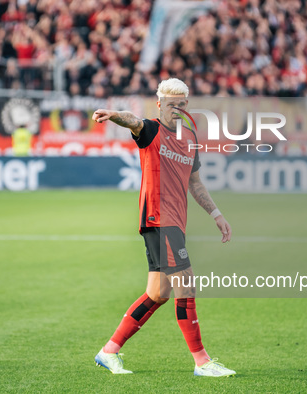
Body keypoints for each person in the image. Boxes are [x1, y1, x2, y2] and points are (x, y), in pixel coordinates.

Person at [91, 78, 236, 377]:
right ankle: (202, 362)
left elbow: (195, 183)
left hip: (175, 223)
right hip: (158, 218)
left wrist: (216, 214)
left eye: (183, 104)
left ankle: (109, 351)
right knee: (186, 283)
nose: (178, 109)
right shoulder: (152, 130)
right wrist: (114, 114)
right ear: (159, 104)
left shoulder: (189, 139)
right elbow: (133, 121)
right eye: (172, 104)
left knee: (158, 292)